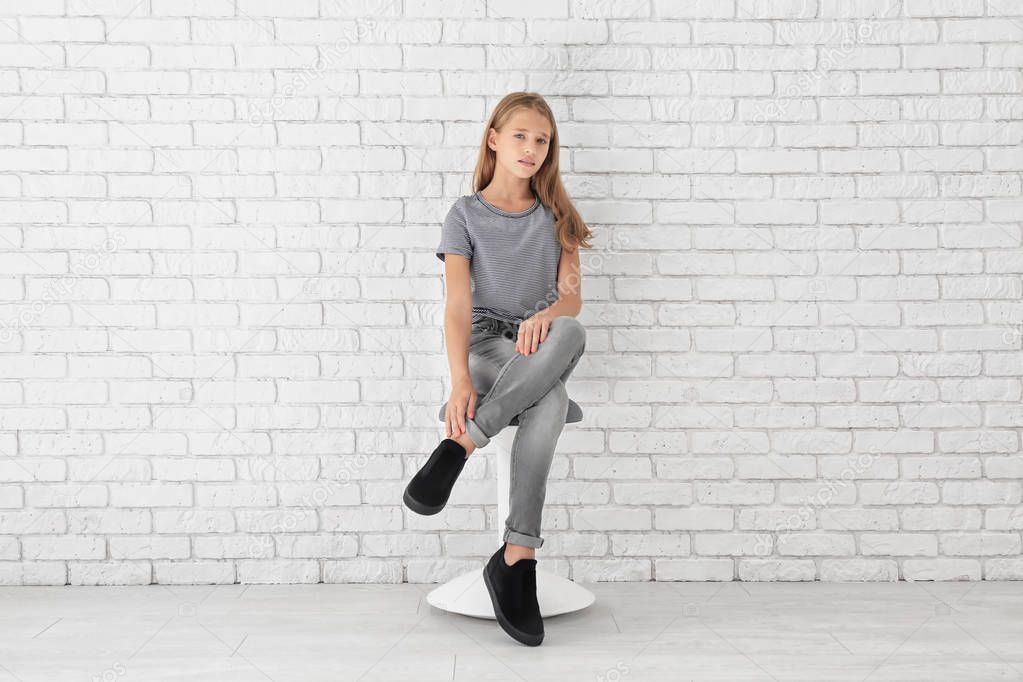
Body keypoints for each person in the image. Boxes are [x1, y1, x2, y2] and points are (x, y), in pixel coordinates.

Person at [403, 92, 594, 646]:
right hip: (486, 349)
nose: (532, 148)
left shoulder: (558, 215)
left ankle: (461, 447)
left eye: (542, 140)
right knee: (552, 400)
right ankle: (517, 561)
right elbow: (458, 306)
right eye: (520, 136)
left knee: (572, 333)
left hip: (537, 349)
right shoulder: (465, 215)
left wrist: (547, 317)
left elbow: (571, 303)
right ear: (493, 139)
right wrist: (460, 379)